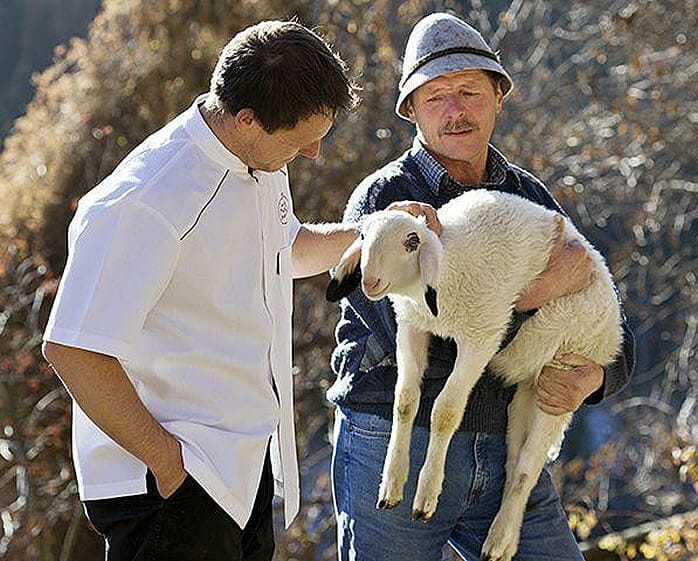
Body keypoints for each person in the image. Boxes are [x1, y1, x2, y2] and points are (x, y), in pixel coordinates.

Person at [40, 20, 440, 561]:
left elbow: (287, 247)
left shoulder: (259, 153)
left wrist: (372, 230)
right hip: (171, 489)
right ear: (246, 118)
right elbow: (74, 348)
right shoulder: (141, 204)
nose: (315, 153)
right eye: (302, 139)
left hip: (239, 472)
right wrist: (167, 464)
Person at [328, 13, 635, 561]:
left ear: (498, 96)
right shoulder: (386, 201)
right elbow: (415, 330)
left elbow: (599, 302)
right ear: (412, 113)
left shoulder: (527, 197)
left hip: (502, 449)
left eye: (469, 90)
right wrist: (537, 294)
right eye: (435, 97)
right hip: (394, 441)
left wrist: (598, 375)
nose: (455, 110)